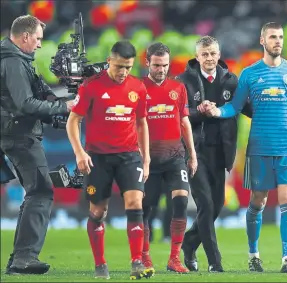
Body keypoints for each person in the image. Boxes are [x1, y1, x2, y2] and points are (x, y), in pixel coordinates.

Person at [203, 22, 287, 273]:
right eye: (272, 37)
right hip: (258, 148)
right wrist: (217, 110)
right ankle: (253, 255)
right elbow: (235, 107)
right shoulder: (249, 74)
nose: (277, 41)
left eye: (280, 37)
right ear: (262, 40)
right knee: (258, 202)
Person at [66, 41, 153, 280]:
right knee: (97, 211)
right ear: (109, 61)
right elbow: (73, 120)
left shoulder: (138, 87)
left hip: (129, 156)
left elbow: (142, 123)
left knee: (135, 204)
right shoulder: (91, 86)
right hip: (98, 158)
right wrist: (79, 152)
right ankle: (100, 264)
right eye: (119, 67)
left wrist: (145, 159)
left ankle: (136, 261)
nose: (123, 72)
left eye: (128, 67)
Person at [0, 15, 73, 275]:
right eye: (38, 39)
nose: (40, 45)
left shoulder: (17, 60)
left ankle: (20, 257)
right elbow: (25, 105)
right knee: (41, 191)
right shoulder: (12, 61)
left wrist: (55, 101)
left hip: (17, 132)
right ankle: (23, 259)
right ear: (25, 37)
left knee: (37, 192)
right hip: (18, 135)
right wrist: (64, 106)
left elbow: (31, 98)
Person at [177, 36, 252, 272]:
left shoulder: (231, 81)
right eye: (204, 54)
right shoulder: (183, 81)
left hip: (221, 152)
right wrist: (199, 112)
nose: (209, 58)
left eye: (213, 53)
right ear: (197, 56)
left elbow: (246, 108)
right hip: (193, 152)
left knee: (217, 204)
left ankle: (189, 243)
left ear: (219, 55)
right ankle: (215, 262)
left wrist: (276, 110)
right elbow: (178, 113)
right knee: (206, 206)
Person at [140, 42, 197, 274]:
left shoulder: (178, 88)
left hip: (175, 156)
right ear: (147, 63)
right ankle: (144, 256)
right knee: (146, 208)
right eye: (156, 65)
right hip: (148, 159)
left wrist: (192, 154)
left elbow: (185, 122)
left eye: (164, 65)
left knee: (181, 201)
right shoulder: (137, 88)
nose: (161, 69)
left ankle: (174, 258)